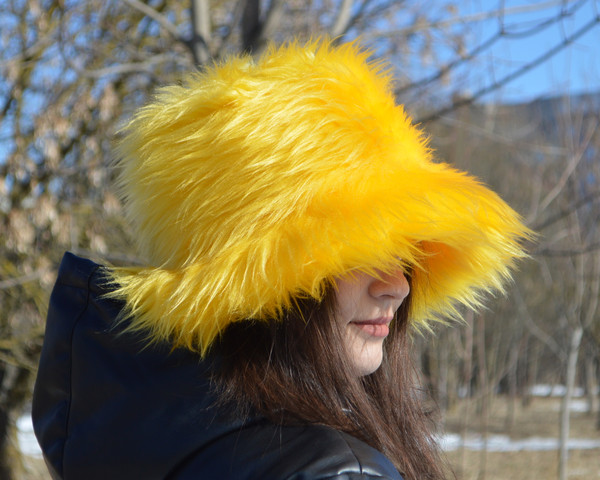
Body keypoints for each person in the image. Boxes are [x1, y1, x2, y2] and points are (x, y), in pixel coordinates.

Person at [32, 39, 531, 480]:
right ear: (261, 278)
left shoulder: (137, 438)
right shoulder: (332, 471)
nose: (398, 285)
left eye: (407, 252)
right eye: (365, 247)